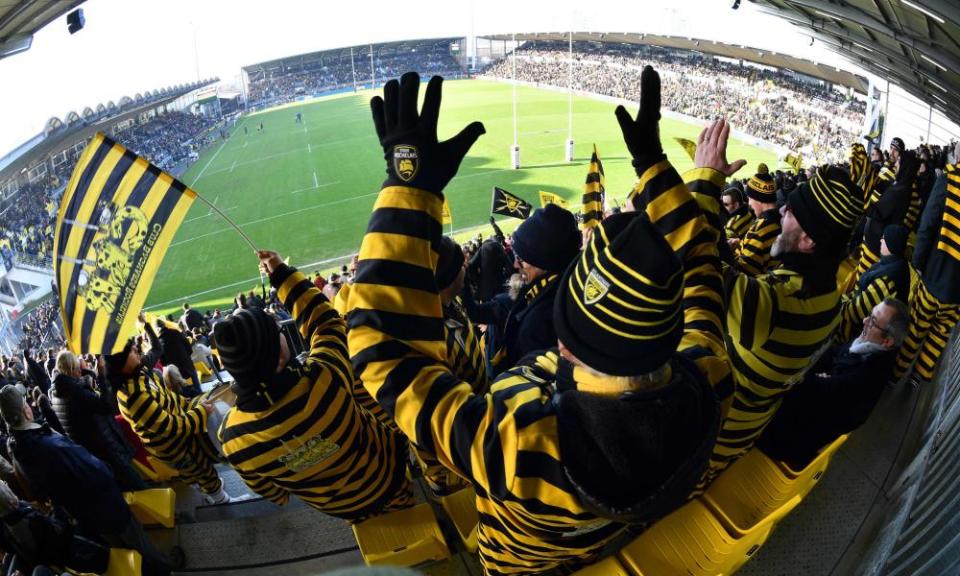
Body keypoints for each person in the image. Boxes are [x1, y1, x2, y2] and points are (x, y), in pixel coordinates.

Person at [348, 69, 731, 575]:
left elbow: (386, 357)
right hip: (610, 542)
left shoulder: (518, 446)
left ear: (567, 348)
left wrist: (409, 188)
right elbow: (701, 266)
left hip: (521, 565)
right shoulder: (709, 374)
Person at [215, 253, 414, 522]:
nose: (284, 333)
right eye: (278, 333)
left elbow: (277, 496)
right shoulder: (323, 377)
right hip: (389, 477)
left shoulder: (232, 439)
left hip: (340, 509)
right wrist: (280, 273)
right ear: (279, 355)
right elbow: (327, 322)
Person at [708, 162, 863, 481]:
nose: (780, 211)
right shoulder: (831, 302)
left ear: (809, 241)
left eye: (792, 211)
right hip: (744, 430)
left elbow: (694, 258)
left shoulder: (774, 303)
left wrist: (705, 179)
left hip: (707, 437)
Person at [0, 384, 172, 575]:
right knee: (136, 540)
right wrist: (108, 473)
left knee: (120, 543)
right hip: (103, 502)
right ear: (25, 411)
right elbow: (90, 470)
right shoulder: (47, 446)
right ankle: (162, 569)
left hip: (88, 510)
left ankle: (146, 569)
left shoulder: (21, 446)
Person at [758, 299, 909, 468]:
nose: (865, 321)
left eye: (873, 321)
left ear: (887, 341)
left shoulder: (865, 375)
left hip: (785, 438)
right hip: (804, 413)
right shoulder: (870, 348)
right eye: (869, 315)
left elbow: (809, 390)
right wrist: (818, 375)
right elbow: (832, 354)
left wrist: (808, 376)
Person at [103, 320, 232, 505]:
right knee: (200, 469)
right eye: (131, 351)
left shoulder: (140, 371)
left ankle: (209, 492)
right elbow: (170, 427)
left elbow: (157, 351)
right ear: (120, 363)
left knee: (197, 470)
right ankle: (222, 500)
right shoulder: (134, 396)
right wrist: (200, 412)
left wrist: (146, 325)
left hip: (179, 430)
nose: (137, 351)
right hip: (174, 445)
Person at [487, 203, 580, 377]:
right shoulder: (567, 285)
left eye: (521, 259)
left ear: (544, 262)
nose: (516, 265)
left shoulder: (538, 323)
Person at [895, 151, 960, 383]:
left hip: (934, 275)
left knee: (916, 327)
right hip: (957, 292)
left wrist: (919, 263)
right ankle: (918, 378)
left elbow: (927, 225)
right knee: (939, 335)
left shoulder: (950, 179)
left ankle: (897, 374)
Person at [49, 351, 143, 491]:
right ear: (69, 370)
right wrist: (101, 375)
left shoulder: (56, 393)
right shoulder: (75, 392)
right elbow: (106, 406)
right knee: (135, 484)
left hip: (94, 450)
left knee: (125, 487)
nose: (80, 371)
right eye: (77, 368)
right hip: (105, 446)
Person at [838, 225, 910, 342]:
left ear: (891, 244)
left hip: (856, 335)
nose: (881, 240)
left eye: (884, 238)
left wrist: (835, 304)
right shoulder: (895, 263)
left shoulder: (887, 280)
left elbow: (854, 312)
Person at [730, 171, 781, 275]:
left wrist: (725, 251)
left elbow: (742, 273)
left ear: (758, 199)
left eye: (749, 198)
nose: (749, 203)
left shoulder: (759, 230)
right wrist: (742, 242)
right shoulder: (783, 218)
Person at [155, 319, 202, 397]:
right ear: (164, 324)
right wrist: (187, 356)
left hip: (176, 371)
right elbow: (188, 346)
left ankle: (191, 399)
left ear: (157, 329)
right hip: (186, 363)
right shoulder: (175, 332)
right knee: (194, 377)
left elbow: (163, 362)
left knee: (183, 389)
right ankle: (200, 394)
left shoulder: (159, 341)